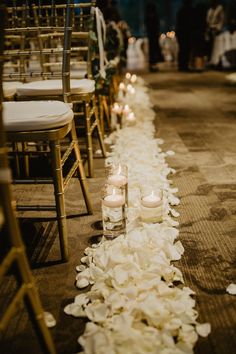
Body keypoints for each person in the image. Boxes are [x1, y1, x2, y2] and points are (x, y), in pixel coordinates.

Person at [176, 0, 194, 71]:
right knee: (186, 50)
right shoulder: (191, 11)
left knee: (182, 50)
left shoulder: (180, 11)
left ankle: (181, 65)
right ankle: (184, 65)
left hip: (181, 32)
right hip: (186, 33)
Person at [145, 2, 163, 72]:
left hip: (152, 36)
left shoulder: (149, 17)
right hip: (153, 35)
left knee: (153, 51)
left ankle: (153, 65)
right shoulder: (154, 17)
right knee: (153, 50)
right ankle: (153, 65)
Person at [191, 2, 208, 71]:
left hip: (195, 35)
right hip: (201, 35)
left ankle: (196, 65)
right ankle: (200, 66)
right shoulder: (203, 18)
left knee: (196, 51)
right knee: (200, 51)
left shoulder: (194, 17)